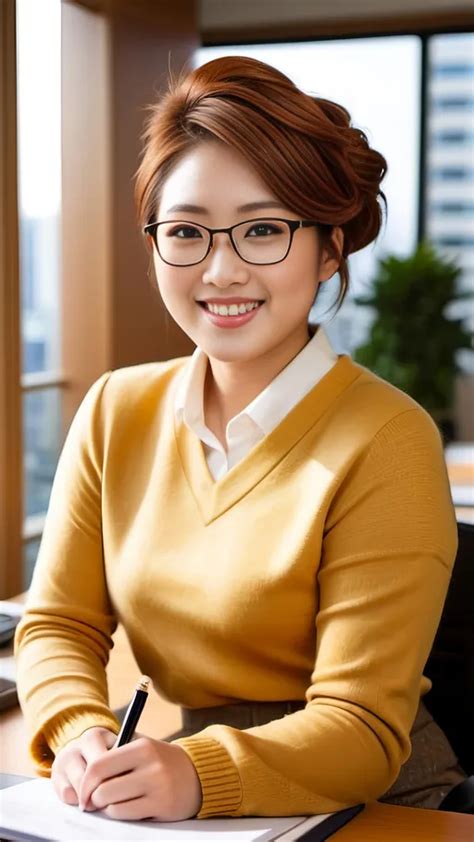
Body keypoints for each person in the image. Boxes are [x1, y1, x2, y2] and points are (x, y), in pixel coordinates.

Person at [14, 55, 466, 822]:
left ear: (330, 248)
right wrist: (79, 729)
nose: (220, 271)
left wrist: (193, 775)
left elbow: (361, 728)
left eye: (263, 230)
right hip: (184, 806)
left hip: (380, 810)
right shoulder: (115, 409)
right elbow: (59, 622)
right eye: (187, 232)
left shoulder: (388, 439)